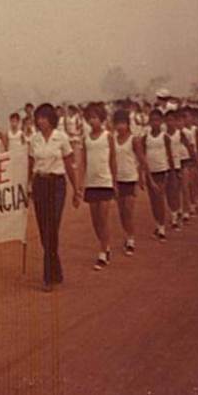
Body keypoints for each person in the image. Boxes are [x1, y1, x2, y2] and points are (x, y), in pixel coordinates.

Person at [28, 104, 80, 292]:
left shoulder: (62, 138)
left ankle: (48, 277)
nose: (41, 121)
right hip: (40, 184)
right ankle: (56, 270)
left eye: (44, 117)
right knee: (44, 230)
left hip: (57, 185)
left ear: (51, 119)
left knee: (52, 227)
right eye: (38, 118)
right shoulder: (34, 139)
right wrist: (27, 187)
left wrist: (77, 189)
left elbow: (69, 164)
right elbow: (31, 163)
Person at [81, 102, 117, 271]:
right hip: (91, 183)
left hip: (105, 181)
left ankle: (103, 252)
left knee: (103, 218)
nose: (92, 121)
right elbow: (84, 162)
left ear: (101, 119)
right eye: (90, 118)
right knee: (95, 221)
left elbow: (113, 160)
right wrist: (81, 184)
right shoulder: (86, 139)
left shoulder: (108, 136)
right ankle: (106, 245)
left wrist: (115, 181)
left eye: (95, 117)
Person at [113, 109, 148, 256]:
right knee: (121, 212)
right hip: (117, 179)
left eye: (123, 123)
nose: (120, 127)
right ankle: (127, 235)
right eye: (117, 124)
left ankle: (131, 239)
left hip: (131, 178)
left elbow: (141, 159)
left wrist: (143, 177)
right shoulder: (112, 139)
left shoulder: (134, 140)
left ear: (128, 124)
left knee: (128, 210)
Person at [142, 109, 173, 242]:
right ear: (149, 122)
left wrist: (171, 172)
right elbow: (143, 158)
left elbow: (169, 155)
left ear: (161, 122)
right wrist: (144, 174)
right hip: (150, 173)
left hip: (162, 171)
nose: (155, 123)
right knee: (153, 201)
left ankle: (162, 228)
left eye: (157, 120)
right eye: (152, 120)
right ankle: (157, 224)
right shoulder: (145, 138)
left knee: (160, 200)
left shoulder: (165, 137)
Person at [165, 111, 193, 230]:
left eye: (172, 120)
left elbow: (189, 147)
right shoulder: (164, 135)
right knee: (171, 192)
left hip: (182, 163)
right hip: (169, 166)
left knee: (184, 188)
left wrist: (193, 162)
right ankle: (175, 213)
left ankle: (185, 211)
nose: (170, 123)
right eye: (168, 120)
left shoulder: (180, 134)